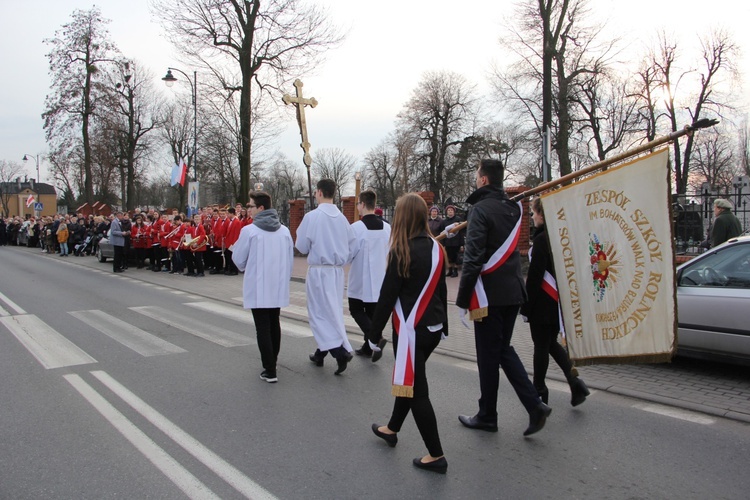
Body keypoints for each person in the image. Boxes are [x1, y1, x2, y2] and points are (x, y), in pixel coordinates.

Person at [456, 159, 552, 437]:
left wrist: (463, 299)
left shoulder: (480, 209)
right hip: (512, 292)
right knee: (501, 350)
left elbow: (473, 258)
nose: (476, 179)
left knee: (489, 355)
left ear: (484, 179)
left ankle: (492, 414)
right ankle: (531, 406)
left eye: (477, 175)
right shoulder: (513, 207)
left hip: (489, 296)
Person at [368, 193, 449, 474]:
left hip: (411, 331)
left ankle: (436, 455)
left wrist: (372, 333)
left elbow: (386, 297)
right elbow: (440, 290)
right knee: (410, 378)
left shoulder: (401, 250)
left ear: (401, 218)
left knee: (416, 390)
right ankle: (392, 429)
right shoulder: (436, 248)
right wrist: (445, 325)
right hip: (433, 328)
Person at [520, 197, 589, 406]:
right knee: (550, 344)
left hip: (542, 302)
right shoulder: (557, 236)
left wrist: (526, 305)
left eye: (534, 212)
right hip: (554, 301)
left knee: (541, 346)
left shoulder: (542, 240)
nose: (532, 217)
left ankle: (539, 390)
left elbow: (535, 276)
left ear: (543, 214)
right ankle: (576, 384)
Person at [295, 179, 356, 375]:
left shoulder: (312, 217)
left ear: (319, 192)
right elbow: (352, 245)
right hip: (337, 271)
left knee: (318, 313)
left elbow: (301, 246)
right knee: (332, 311)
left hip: (319, 270)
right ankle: (321, 353)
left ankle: (339, 351)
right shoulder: (342, 218)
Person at [232, 191, 294, 383]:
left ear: (260, 208)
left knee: (263, 327)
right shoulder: (284, 231)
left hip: (258, 286)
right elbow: (290, 260)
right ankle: (272, 361)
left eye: (250, 206)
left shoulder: (250, 231)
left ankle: (270, 369)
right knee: (274, 323)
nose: (247, 210)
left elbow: (239, 259)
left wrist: (244, 265)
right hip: (277, 285)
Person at [348, 190, 391, 357]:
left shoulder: (356, 228)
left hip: (361, 276)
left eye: (358, 204)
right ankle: (368, 346)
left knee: (356, 309)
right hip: (380, 277)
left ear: (363, 204)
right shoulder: (387, 228)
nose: (358, 207)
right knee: (372, 312)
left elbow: (349, 253)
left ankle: (375, 338)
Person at [440, 205, 464, 278]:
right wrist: (443, 243)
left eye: (451, 210)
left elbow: (461, 232)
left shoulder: (458, 220)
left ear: (454, 212)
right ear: (447, 212)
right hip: (448, 242)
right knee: (449, 257)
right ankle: (450, 270)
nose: (450, 212)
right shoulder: (444, 221)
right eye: (449, 210)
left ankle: (455, 271)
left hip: (456, 242)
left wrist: (462, 244)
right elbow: (443, 233)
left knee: (456, 257)